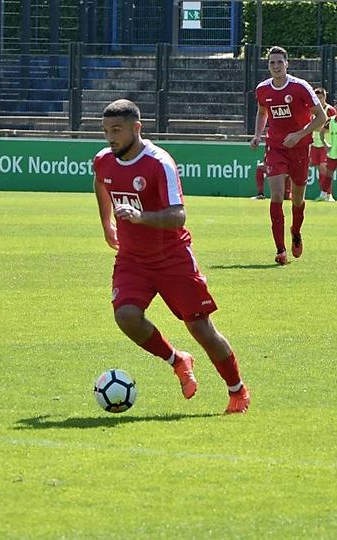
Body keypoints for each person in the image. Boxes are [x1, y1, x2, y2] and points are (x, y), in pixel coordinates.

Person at [93, 99, 250, 414]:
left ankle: (237, 390)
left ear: (136, 128)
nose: (110, 138)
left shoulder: (159, 163)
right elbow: (101, 182)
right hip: (132, 259)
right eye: (106, 131)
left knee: (201, 329)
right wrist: (107, 223)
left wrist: (140, 217)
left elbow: (178, 215)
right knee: (126, 316)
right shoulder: (104, 160)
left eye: (117, 130)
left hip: (172, 257)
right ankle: (177, 360)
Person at [250, 46, 328, 265]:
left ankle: (295, 231)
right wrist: (257, 135)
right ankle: (280, 249)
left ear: (287, 64)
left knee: (298, 198)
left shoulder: (300, 87)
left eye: (279, 62)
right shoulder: (262, 89)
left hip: (300, 148)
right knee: (276, 196)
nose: (276, 66)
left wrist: (299, 134)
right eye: (272, 62)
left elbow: (321, 117)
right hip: (275, 146)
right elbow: (262, 112)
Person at [310, 87, 337, 202]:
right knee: (320, 171)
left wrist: (316, 128)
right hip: (314, 144)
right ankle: (323, 194)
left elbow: (334, 126)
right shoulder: (312, 110)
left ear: (324, 98)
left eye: (320, 97)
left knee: (324, 169)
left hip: (326, 144)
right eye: (316, 97)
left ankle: (329, 194)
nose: (318, 100)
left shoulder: (330, 110)